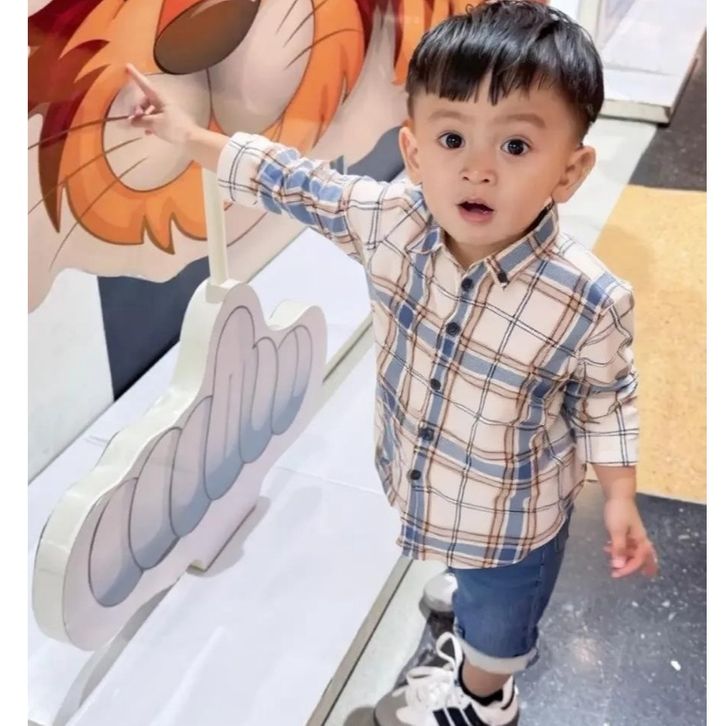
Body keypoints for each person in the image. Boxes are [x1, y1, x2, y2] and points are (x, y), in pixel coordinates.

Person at [126, 2, 659, 724]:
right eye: (451, 138)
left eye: (516, 146)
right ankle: (468, 592)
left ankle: (484, 698)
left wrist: (620, 495)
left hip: (512, 520)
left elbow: (608, 396)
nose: (477, 169)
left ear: (570, 171)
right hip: (429, 479)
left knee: (500, 626)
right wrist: (186, 135)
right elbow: (297, 182)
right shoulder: (391, 222)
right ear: (413, 152)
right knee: (468, 580)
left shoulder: (589, 298)